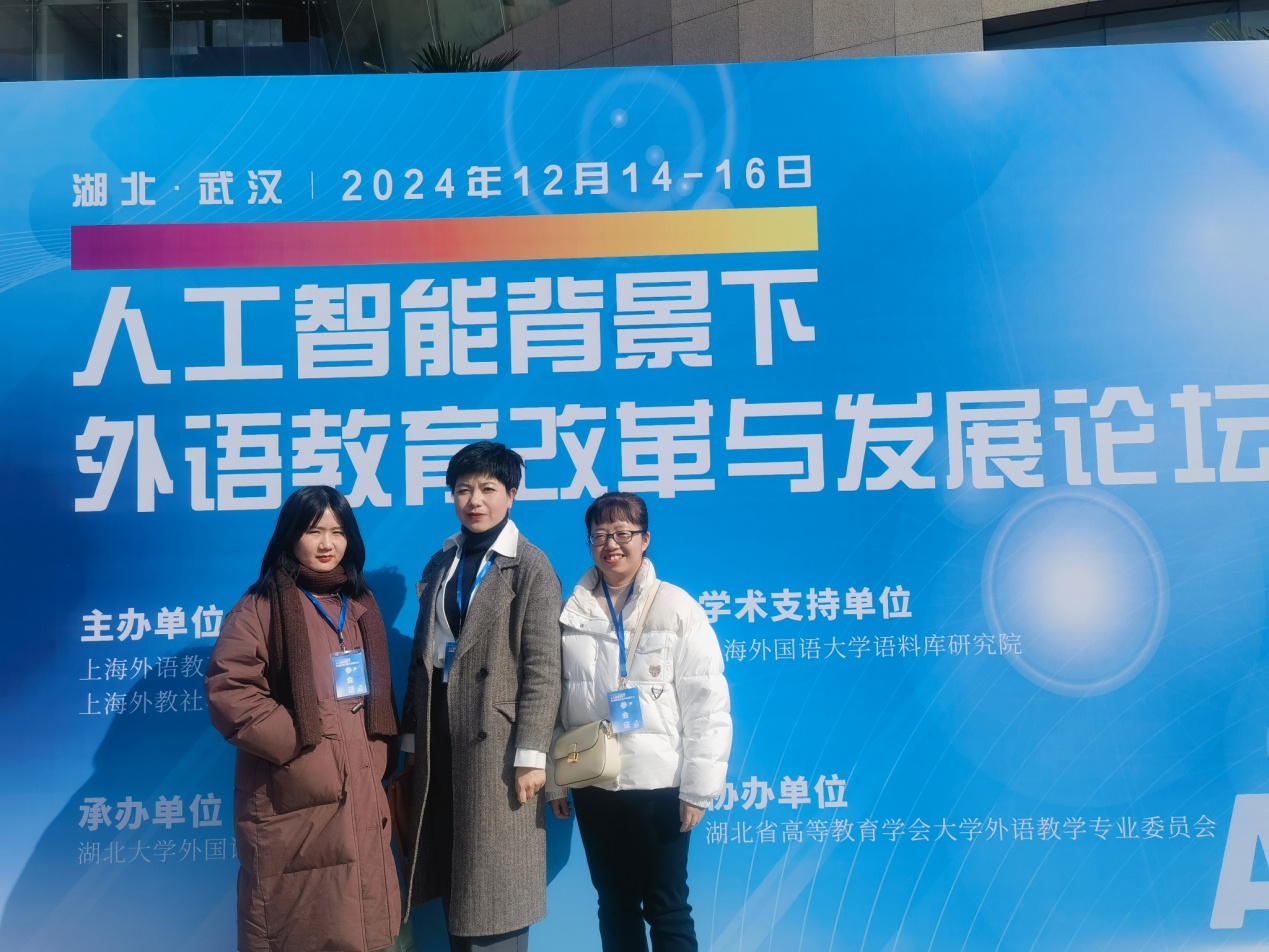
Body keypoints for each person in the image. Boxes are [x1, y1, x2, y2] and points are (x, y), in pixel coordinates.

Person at [205, 485, 401, 952]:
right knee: (301, 926)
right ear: (290, 535)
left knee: (360, 920)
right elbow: (230, 691)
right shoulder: (261, 608)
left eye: (338, 531)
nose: (327, 544)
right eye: (314, 531)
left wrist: (372, 753)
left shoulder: (359, 606)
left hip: (359, 787)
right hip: (294, 797)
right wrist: (303, 744)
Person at [547, 491, 731, 952]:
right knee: (614, 903)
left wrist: (698, 789)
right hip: (593, 781)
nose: (611, 544)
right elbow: (552, 701)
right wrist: (555, 780)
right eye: (600, 535)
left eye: (623, 533)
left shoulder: (677, 607)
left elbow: (707, 704)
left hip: (659, 786)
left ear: (645, 539)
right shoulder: (571, 613)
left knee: (667, 906)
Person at [400, 441, 561, 951]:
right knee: (455, 868)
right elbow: (423, 657)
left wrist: (532, 754)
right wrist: (411, 741)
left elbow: (543, 669)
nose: (474, 500)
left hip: (499, 747)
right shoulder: (441, 561)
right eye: (463, 489)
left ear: (511, 495)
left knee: (494, 882)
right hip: (442, 739)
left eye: (488, 488)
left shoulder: (530, 566)